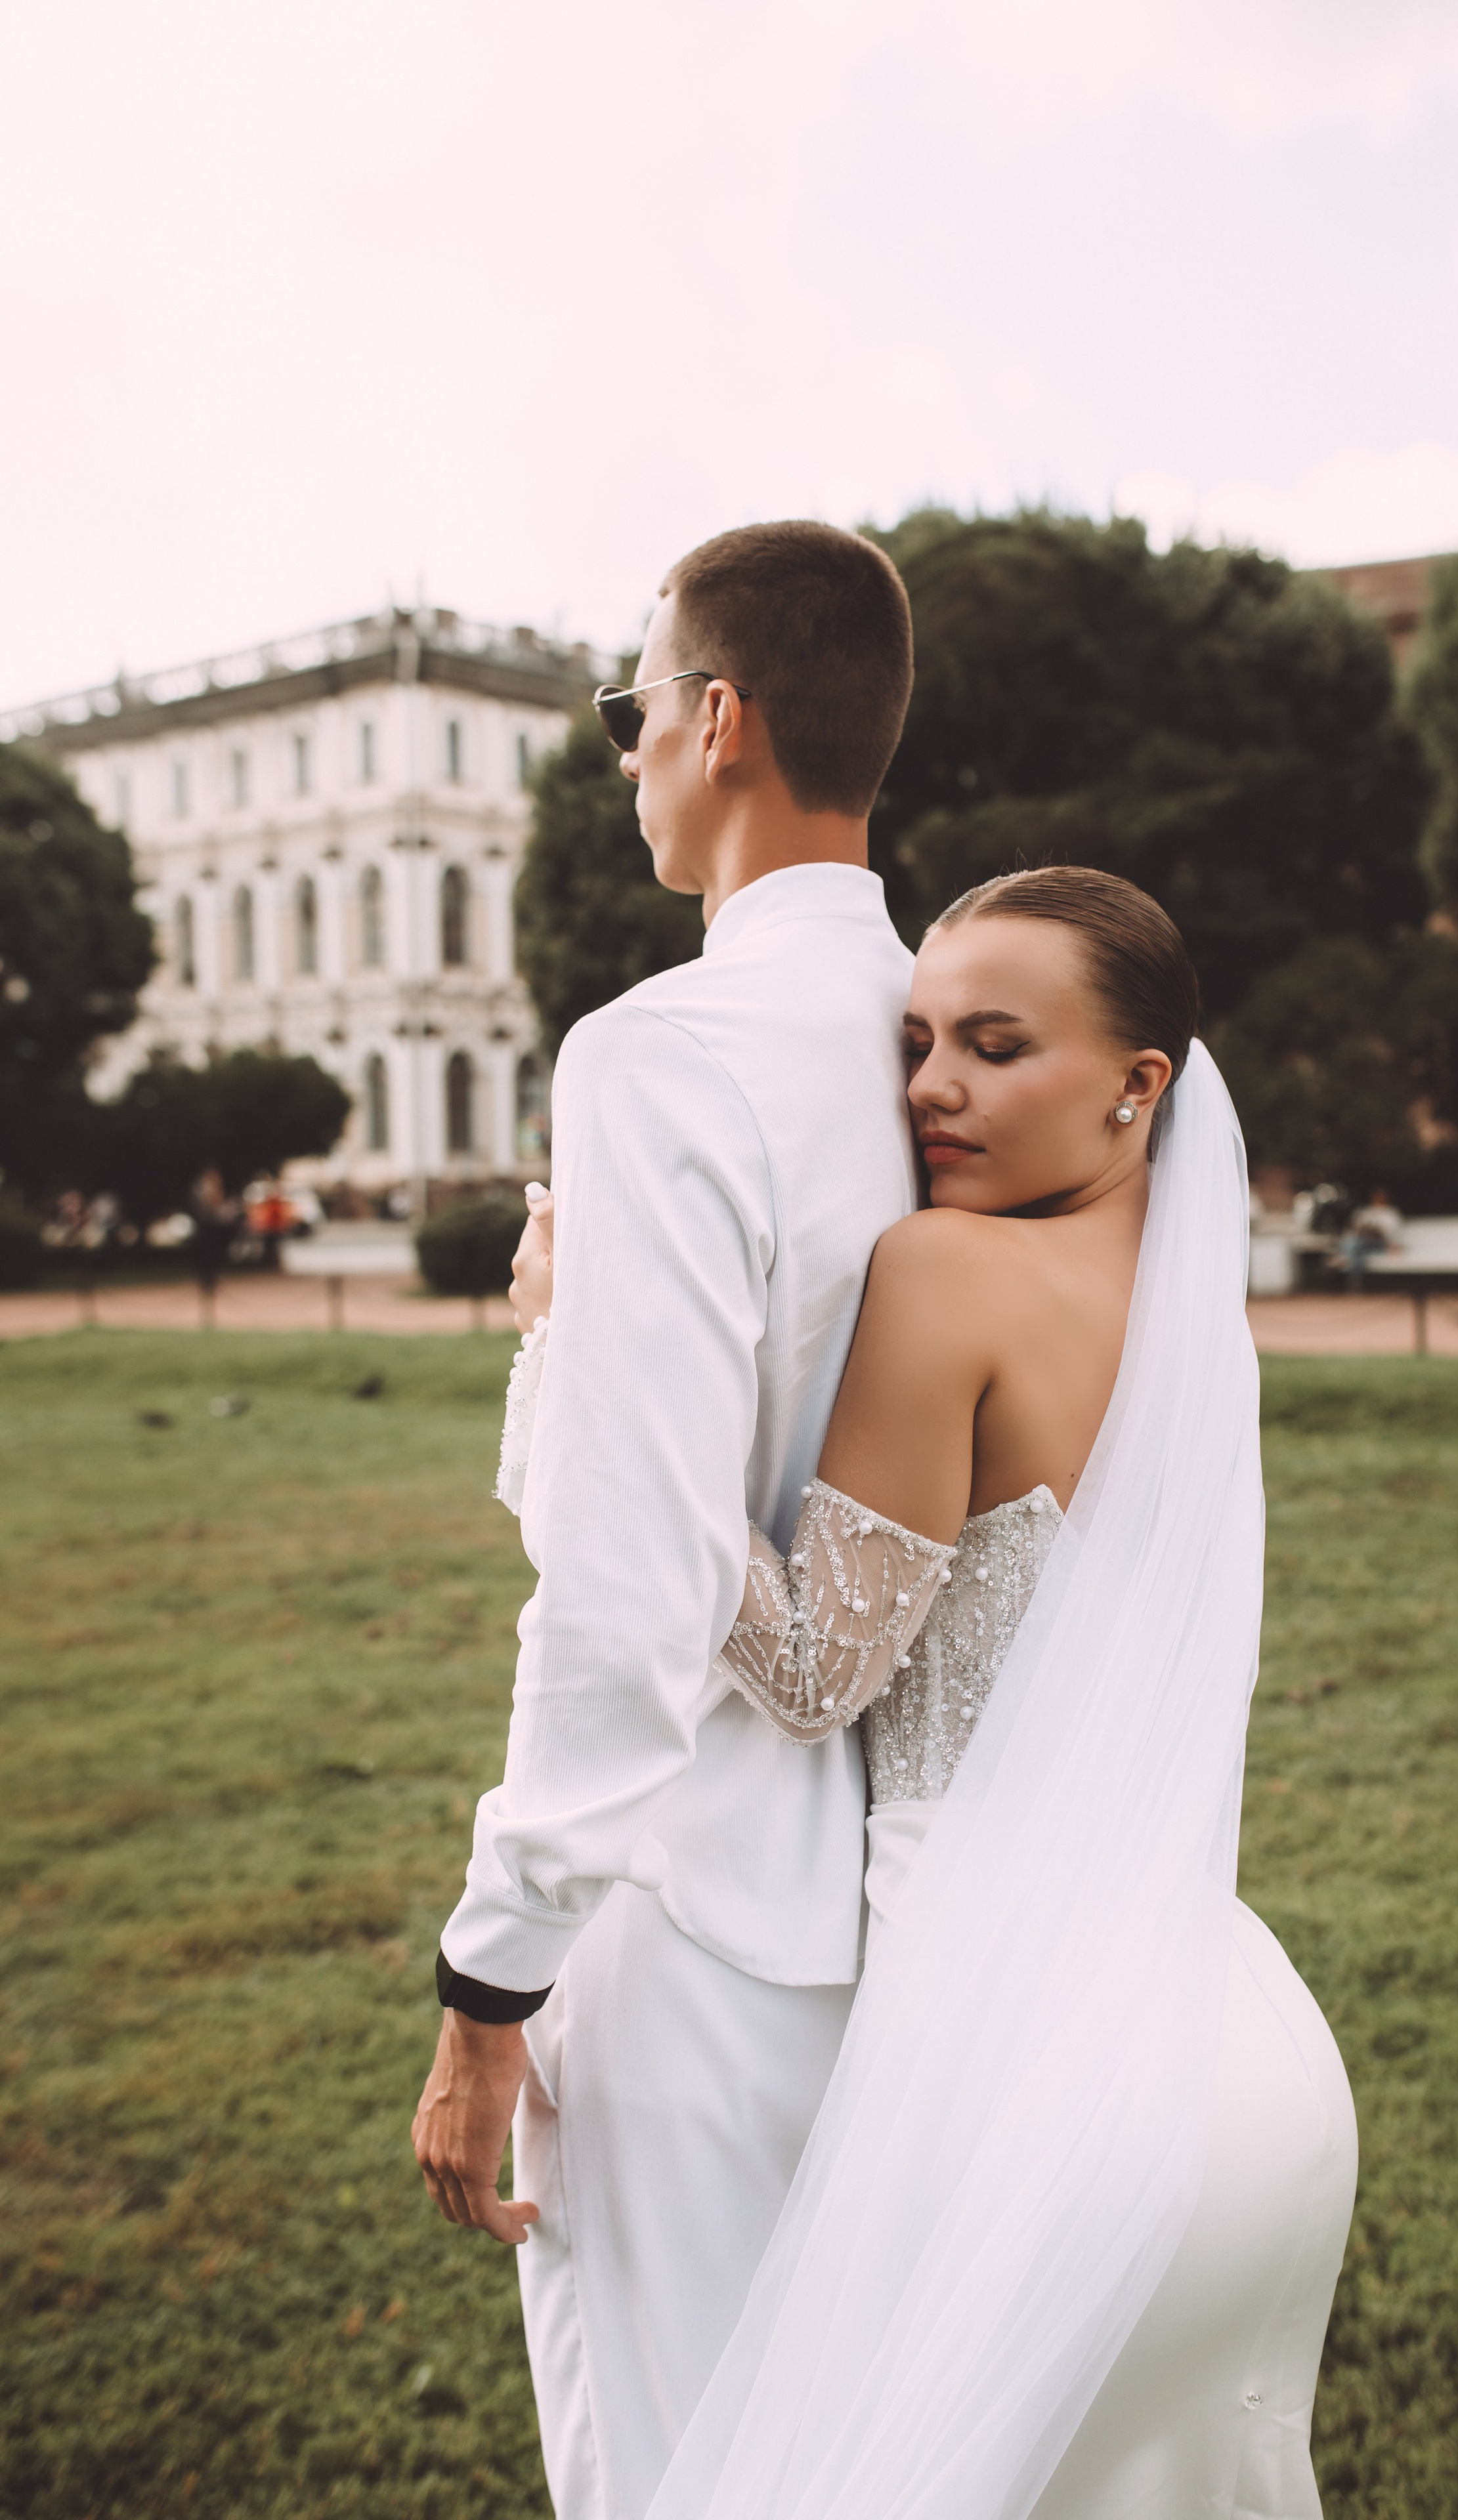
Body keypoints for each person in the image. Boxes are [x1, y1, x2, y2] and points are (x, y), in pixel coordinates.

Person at [649, 868, 1358, 2520]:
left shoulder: (946, 1269)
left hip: (1016, 2075)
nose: (928, 1090)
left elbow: (820, 1669)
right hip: (1240, 2061)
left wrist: (586, 1395)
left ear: (1139, 1082)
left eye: (990, 1045)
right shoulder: (1190, 1322)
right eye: (913, 1045)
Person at [411, 520, 920, 2520]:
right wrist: (572, 1343)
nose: (627, 752)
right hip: (918, 1914)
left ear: (719, 722)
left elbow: (630, 1587)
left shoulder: (656, 1060)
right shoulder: (965, 1038)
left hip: (694, 1916)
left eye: (636, 710)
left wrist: (487, 1989)